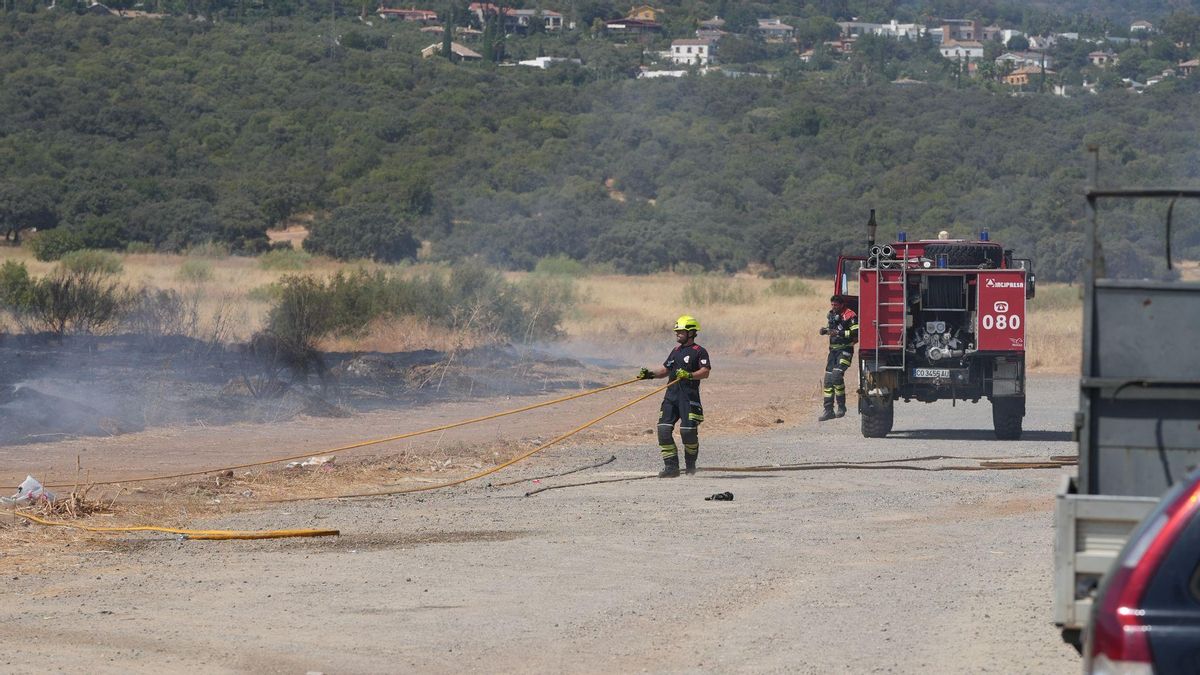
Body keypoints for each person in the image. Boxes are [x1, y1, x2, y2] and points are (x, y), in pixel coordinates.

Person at [636, 315, 711, 477]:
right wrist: (649, 374)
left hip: (688, 398)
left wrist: (689, 375)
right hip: (671, 397)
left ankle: (690, 465)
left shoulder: (700, 352)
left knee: (687, 431)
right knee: (663, 429)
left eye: (681, 331)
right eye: (676, 331)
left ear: (691, 333)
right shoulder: (675, 351)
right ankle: (671, 468)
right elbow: (665, 370)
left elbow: (705, 372)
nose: (677, 334)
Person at [819, 295, 859, 422]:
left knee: (837, 375)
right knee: (828, 380)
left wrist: (839, 333)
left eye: (836, 305)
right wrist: (825, 331)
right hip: (833, 351)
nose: (833, 307)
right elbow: (831, 329)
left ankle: (841, 407)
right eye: (832, 305)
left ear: (842, 305)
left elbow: (856, 333)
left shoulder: (850, 315)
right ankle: (828, 410)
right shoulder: (831, 315)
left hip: (845, 350)